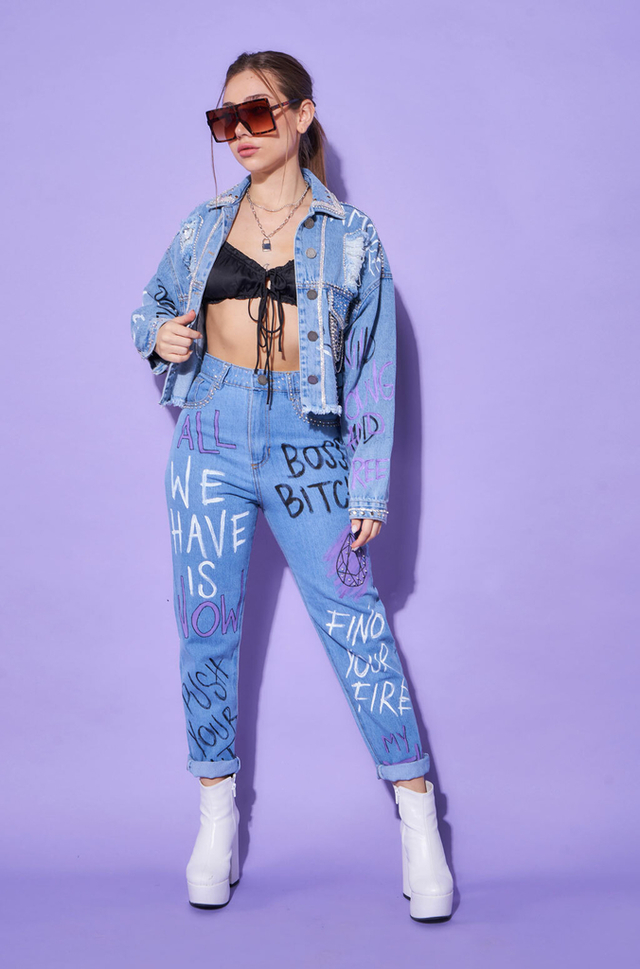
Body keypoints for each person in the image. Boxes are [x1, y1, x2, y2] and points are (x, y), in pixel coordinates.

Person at [130, 49, 454, 922]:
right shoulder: (203, 225)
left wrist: (368, 486)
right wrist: (159, 334)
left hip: (308, 446)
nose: (238, 131)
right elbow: (148, 305)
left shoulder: (353, 236)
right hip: (209, 436)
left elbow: (374, 366)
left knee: (357, 626)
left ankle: (418, 819)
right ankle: (216, 820)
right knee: (206, 629)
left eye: (256, 112)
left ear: (302, 116)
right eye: (223, 118)